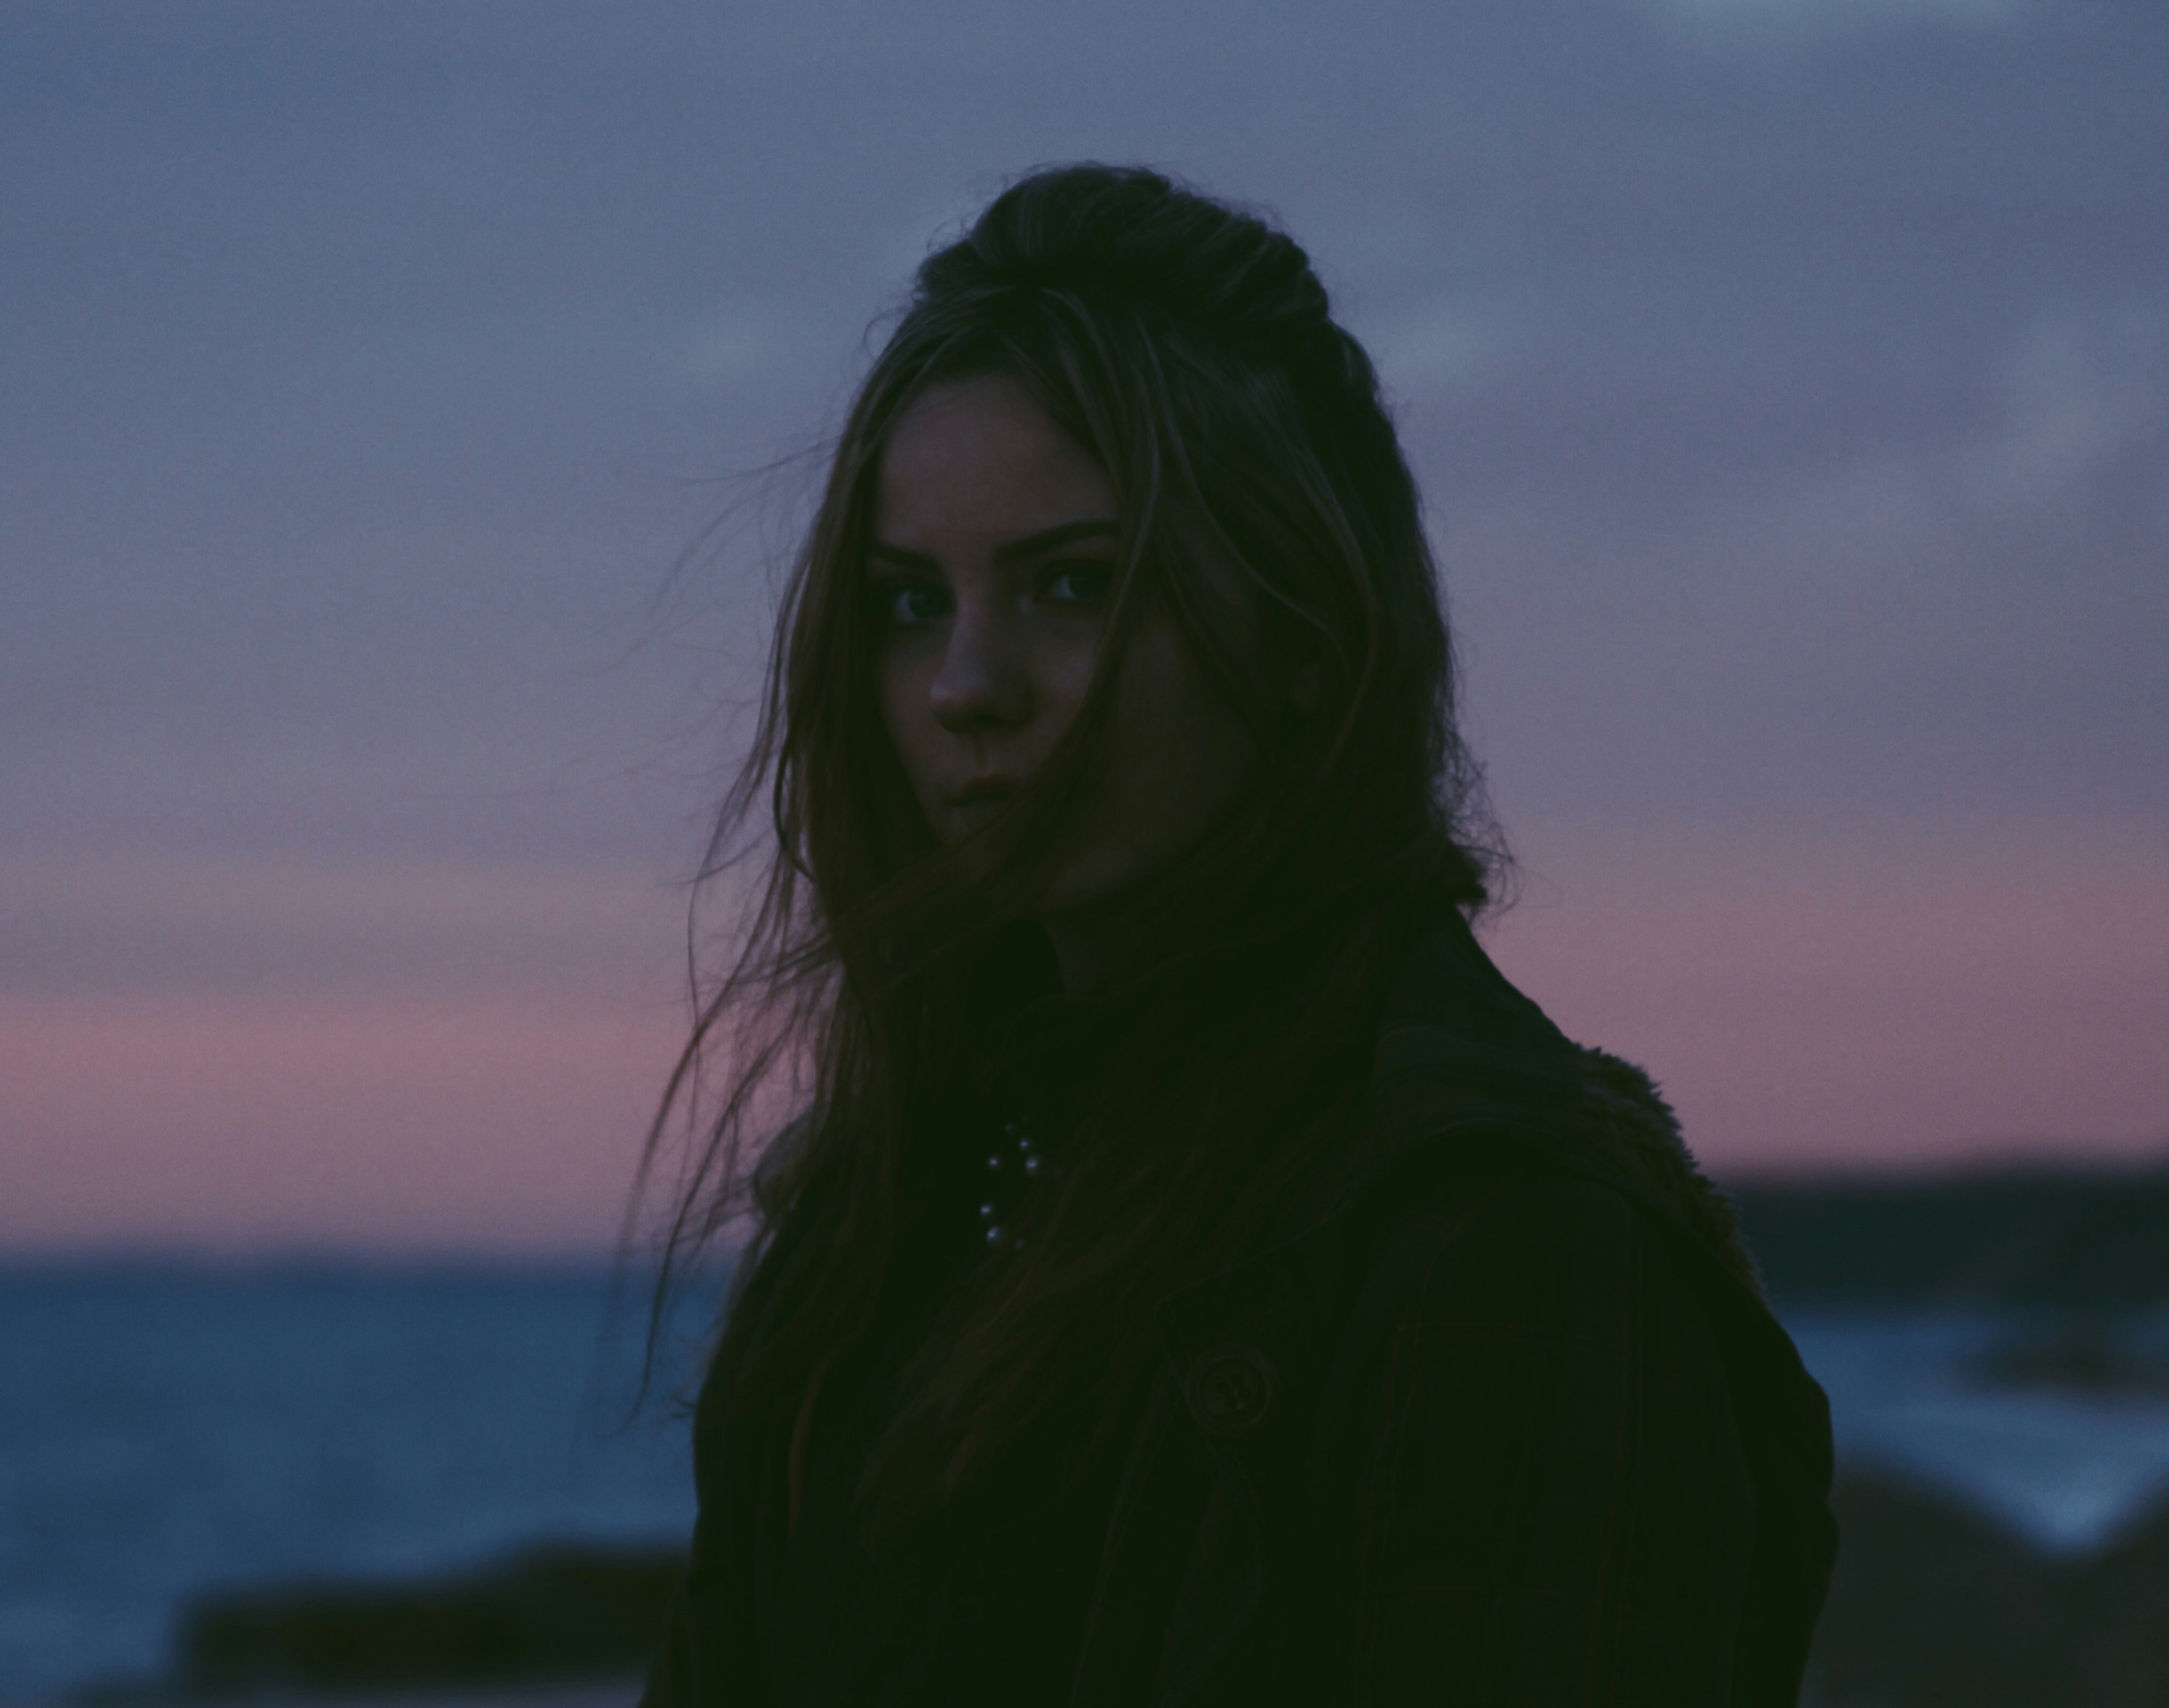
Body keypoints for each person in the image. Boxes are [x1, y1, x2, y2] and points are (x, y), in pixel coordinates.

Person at [633, 163, 1836, 1706]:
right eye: (909, 602)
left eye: (1072, 585)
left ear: (1308, 641)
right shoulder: (881, 1229)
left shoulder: (1508, 1244)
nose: (965, 687)